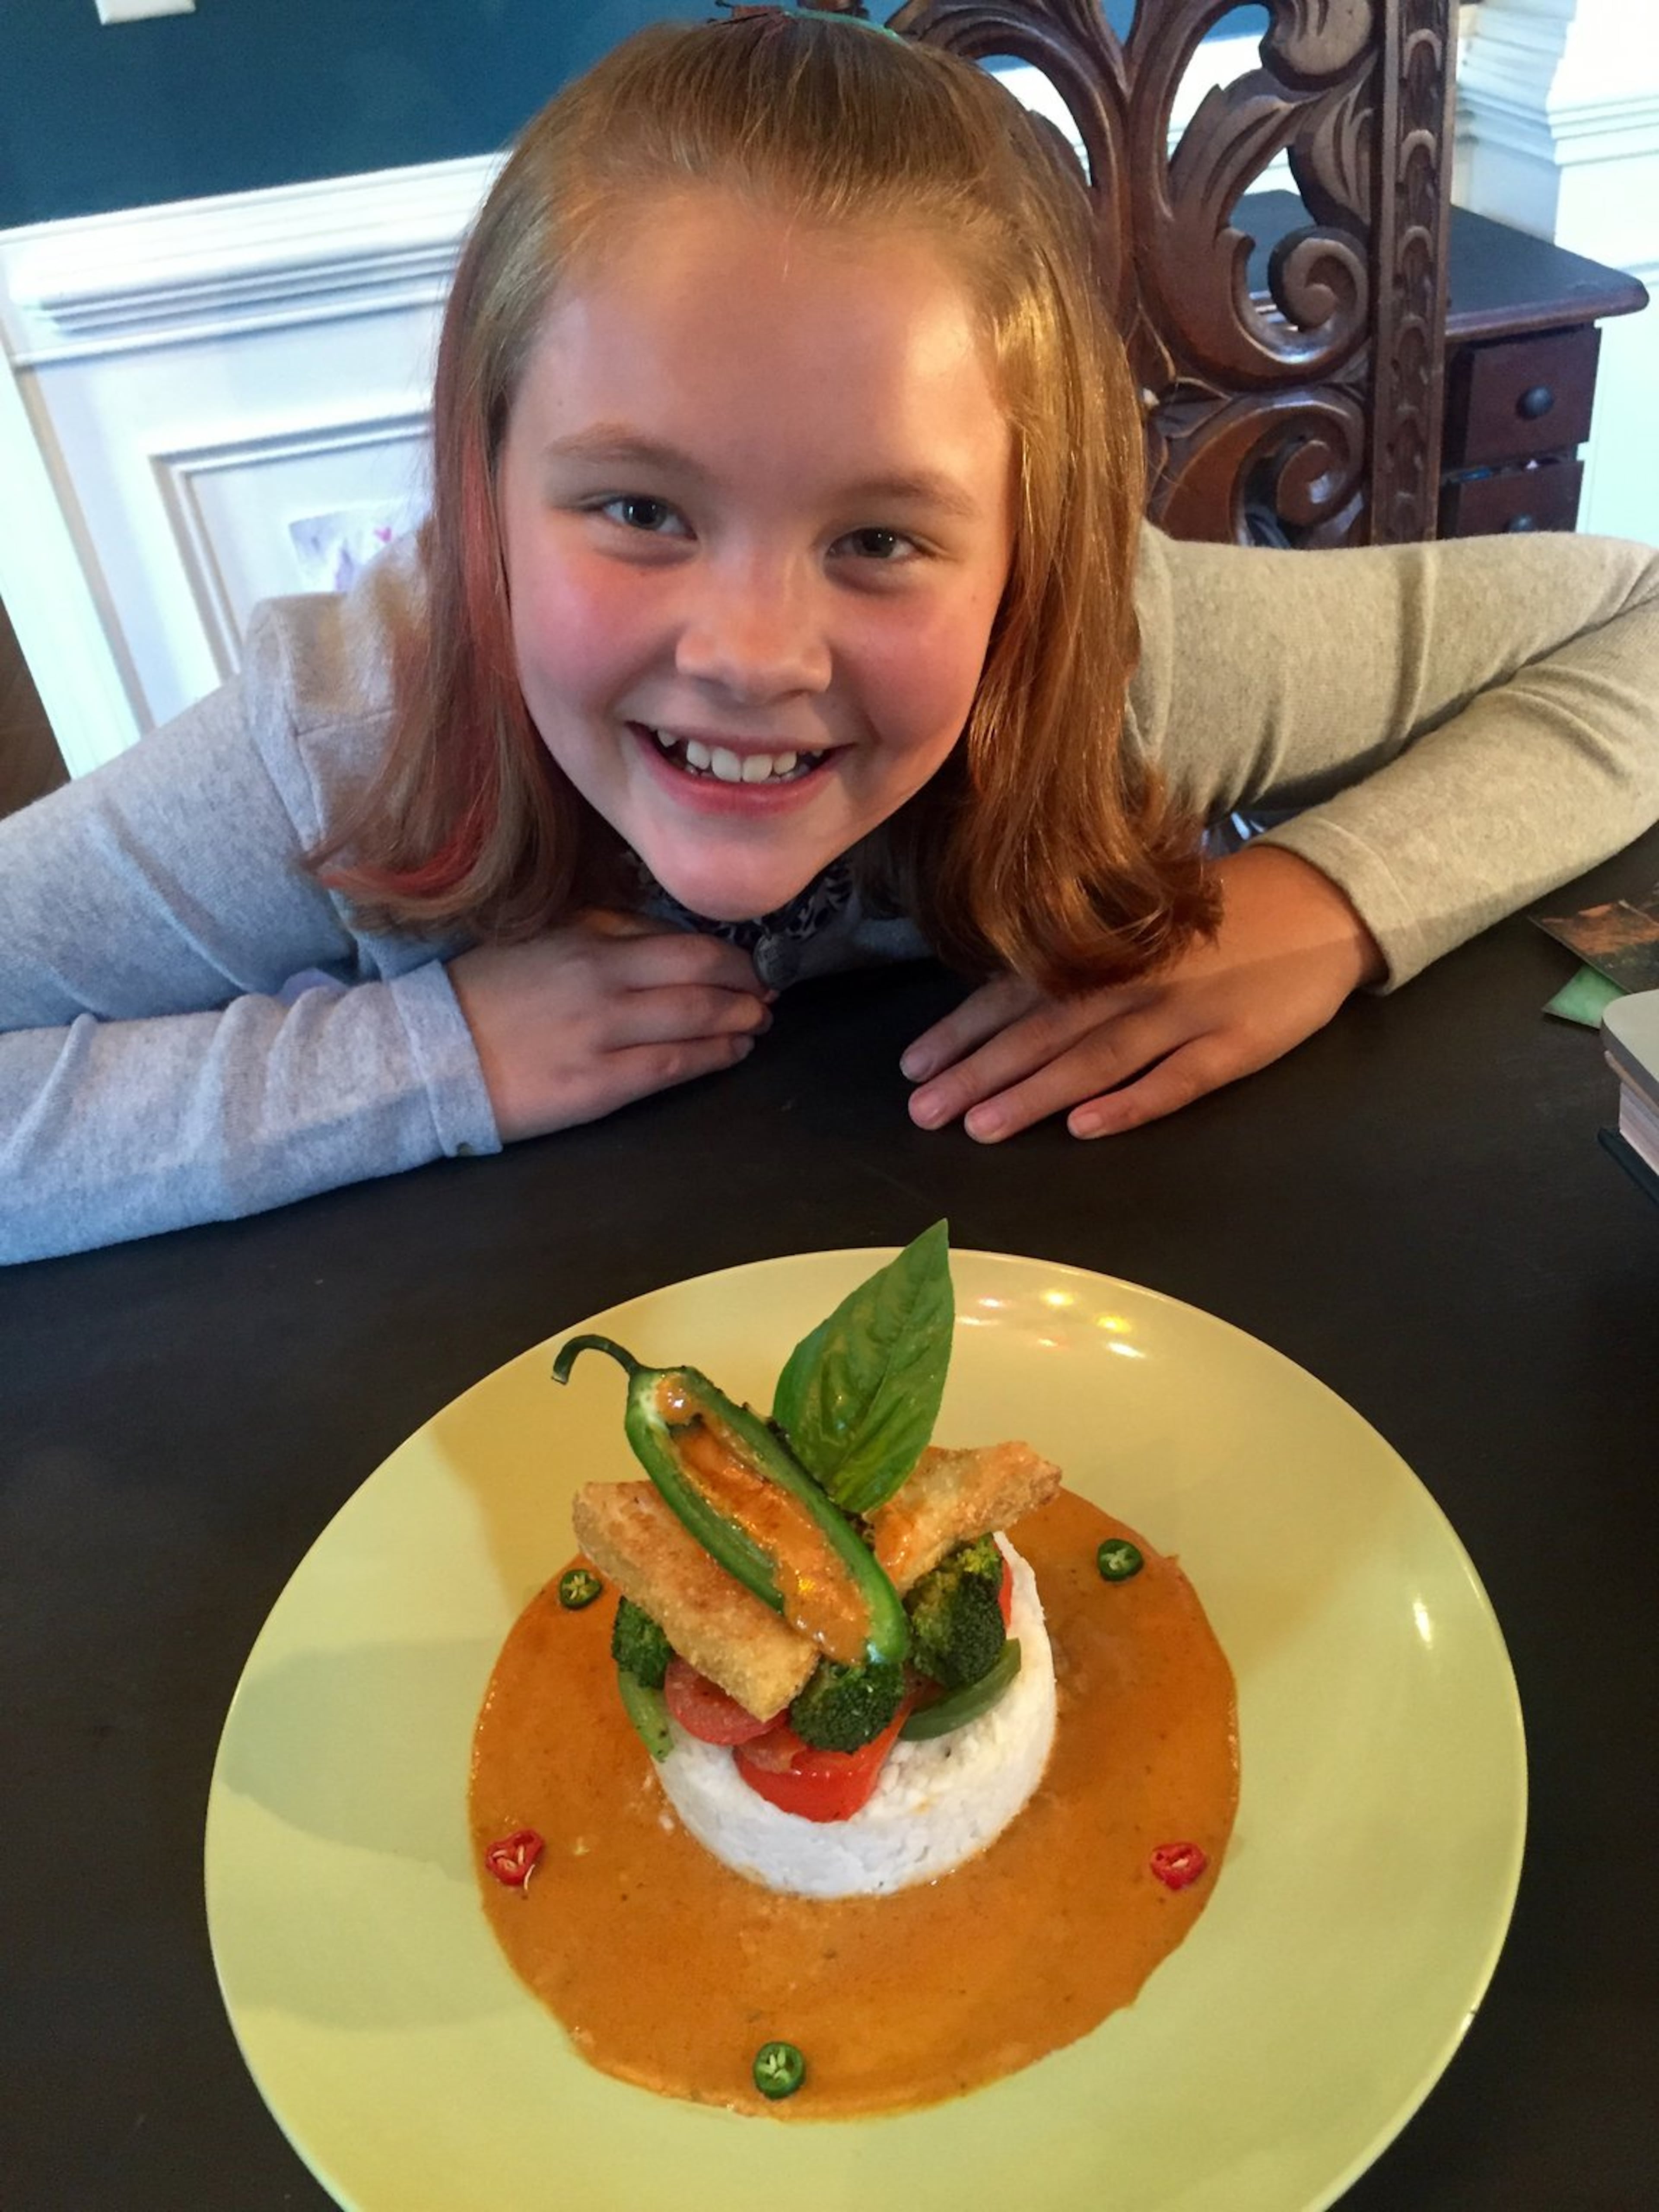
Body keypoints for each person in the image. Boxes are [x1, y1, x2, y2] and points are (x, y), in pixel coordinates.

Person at [2, 10, 1657, 1267]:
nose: (748, 652)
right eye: (640, 511)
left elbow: (1637, 616)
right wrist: (422, 1059)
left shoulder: (1126, 668)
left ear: (1031, 552)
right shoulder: (346, 737)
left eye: (880, 539)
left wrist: (1328, 899)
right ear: (482, 485)